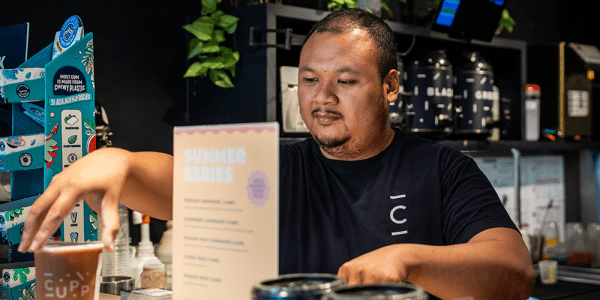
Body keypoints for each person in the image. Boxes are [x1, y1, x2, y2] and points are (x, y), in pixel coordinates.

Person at [18, 8, 534, 300]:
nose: (321, 98)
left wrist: (408, 259)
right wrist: (122, 163)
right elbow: (177, 182)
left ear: (390, 86)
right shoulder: (273, 166)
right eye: (309, 80)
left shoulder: (442, 169)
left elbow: (511, 271)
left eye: (345, 81)